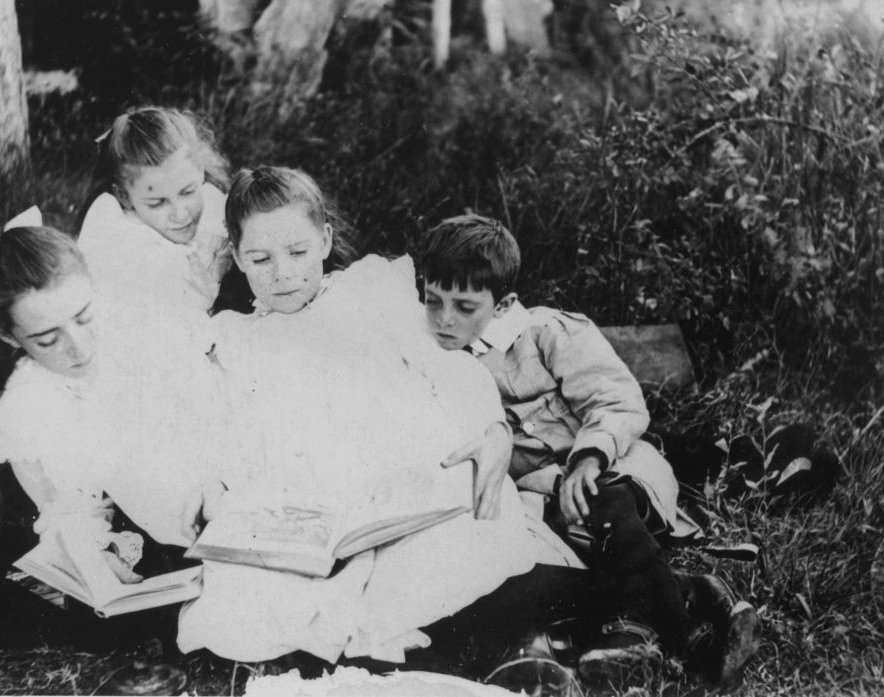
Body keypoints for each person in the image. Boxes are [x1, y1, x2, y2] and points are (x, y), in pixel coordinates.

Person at [176, 167, 587, 671]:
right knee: (254, 602)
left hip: (401, 478)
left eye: (298, 253)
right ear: (238, 257)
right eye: (261, 259)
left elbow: (450, 369)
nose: (282, 272)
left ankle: (552, 626)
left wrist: (494, 432)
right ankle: (476, 646)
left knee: (441, 557)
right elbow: (218, 430)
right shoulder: (235, 338)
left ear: (325, 241)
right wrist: (214, 490)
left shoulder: (368, 293)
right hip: (305, 501)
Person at [417, 213, 759, 686]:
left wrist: (588, 459)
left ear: (503, 304)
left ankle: (688, 643)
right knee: (528, 568)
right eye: (432, 300)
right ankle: (650, 621)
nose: (444, 319)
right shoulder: (439, 362)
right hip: (544, 498)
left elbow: (615, 400)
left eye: (464, 305)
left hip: (616, 468)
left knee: (605, 502)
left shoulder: (547, 333)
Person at [0, 213, 221, 659]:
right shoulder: (27, 403)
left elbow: (205, 419)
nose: (77, 347)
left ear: (94, 287)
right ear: (9, 335)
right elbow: (66, 504)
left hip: (196, 492)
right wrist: (97, 552)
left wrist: (209, 481)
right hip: (128, 517)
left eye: (83, 317)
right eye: (46, 339)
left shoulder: (145, 333)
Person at [77, 107, 233, 333]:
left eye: (187, 191)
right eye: (157, 203)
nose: (180, 214)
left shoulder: (214, 207)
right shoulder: (122, 238)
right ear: (124, 196)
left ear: (200, 170)